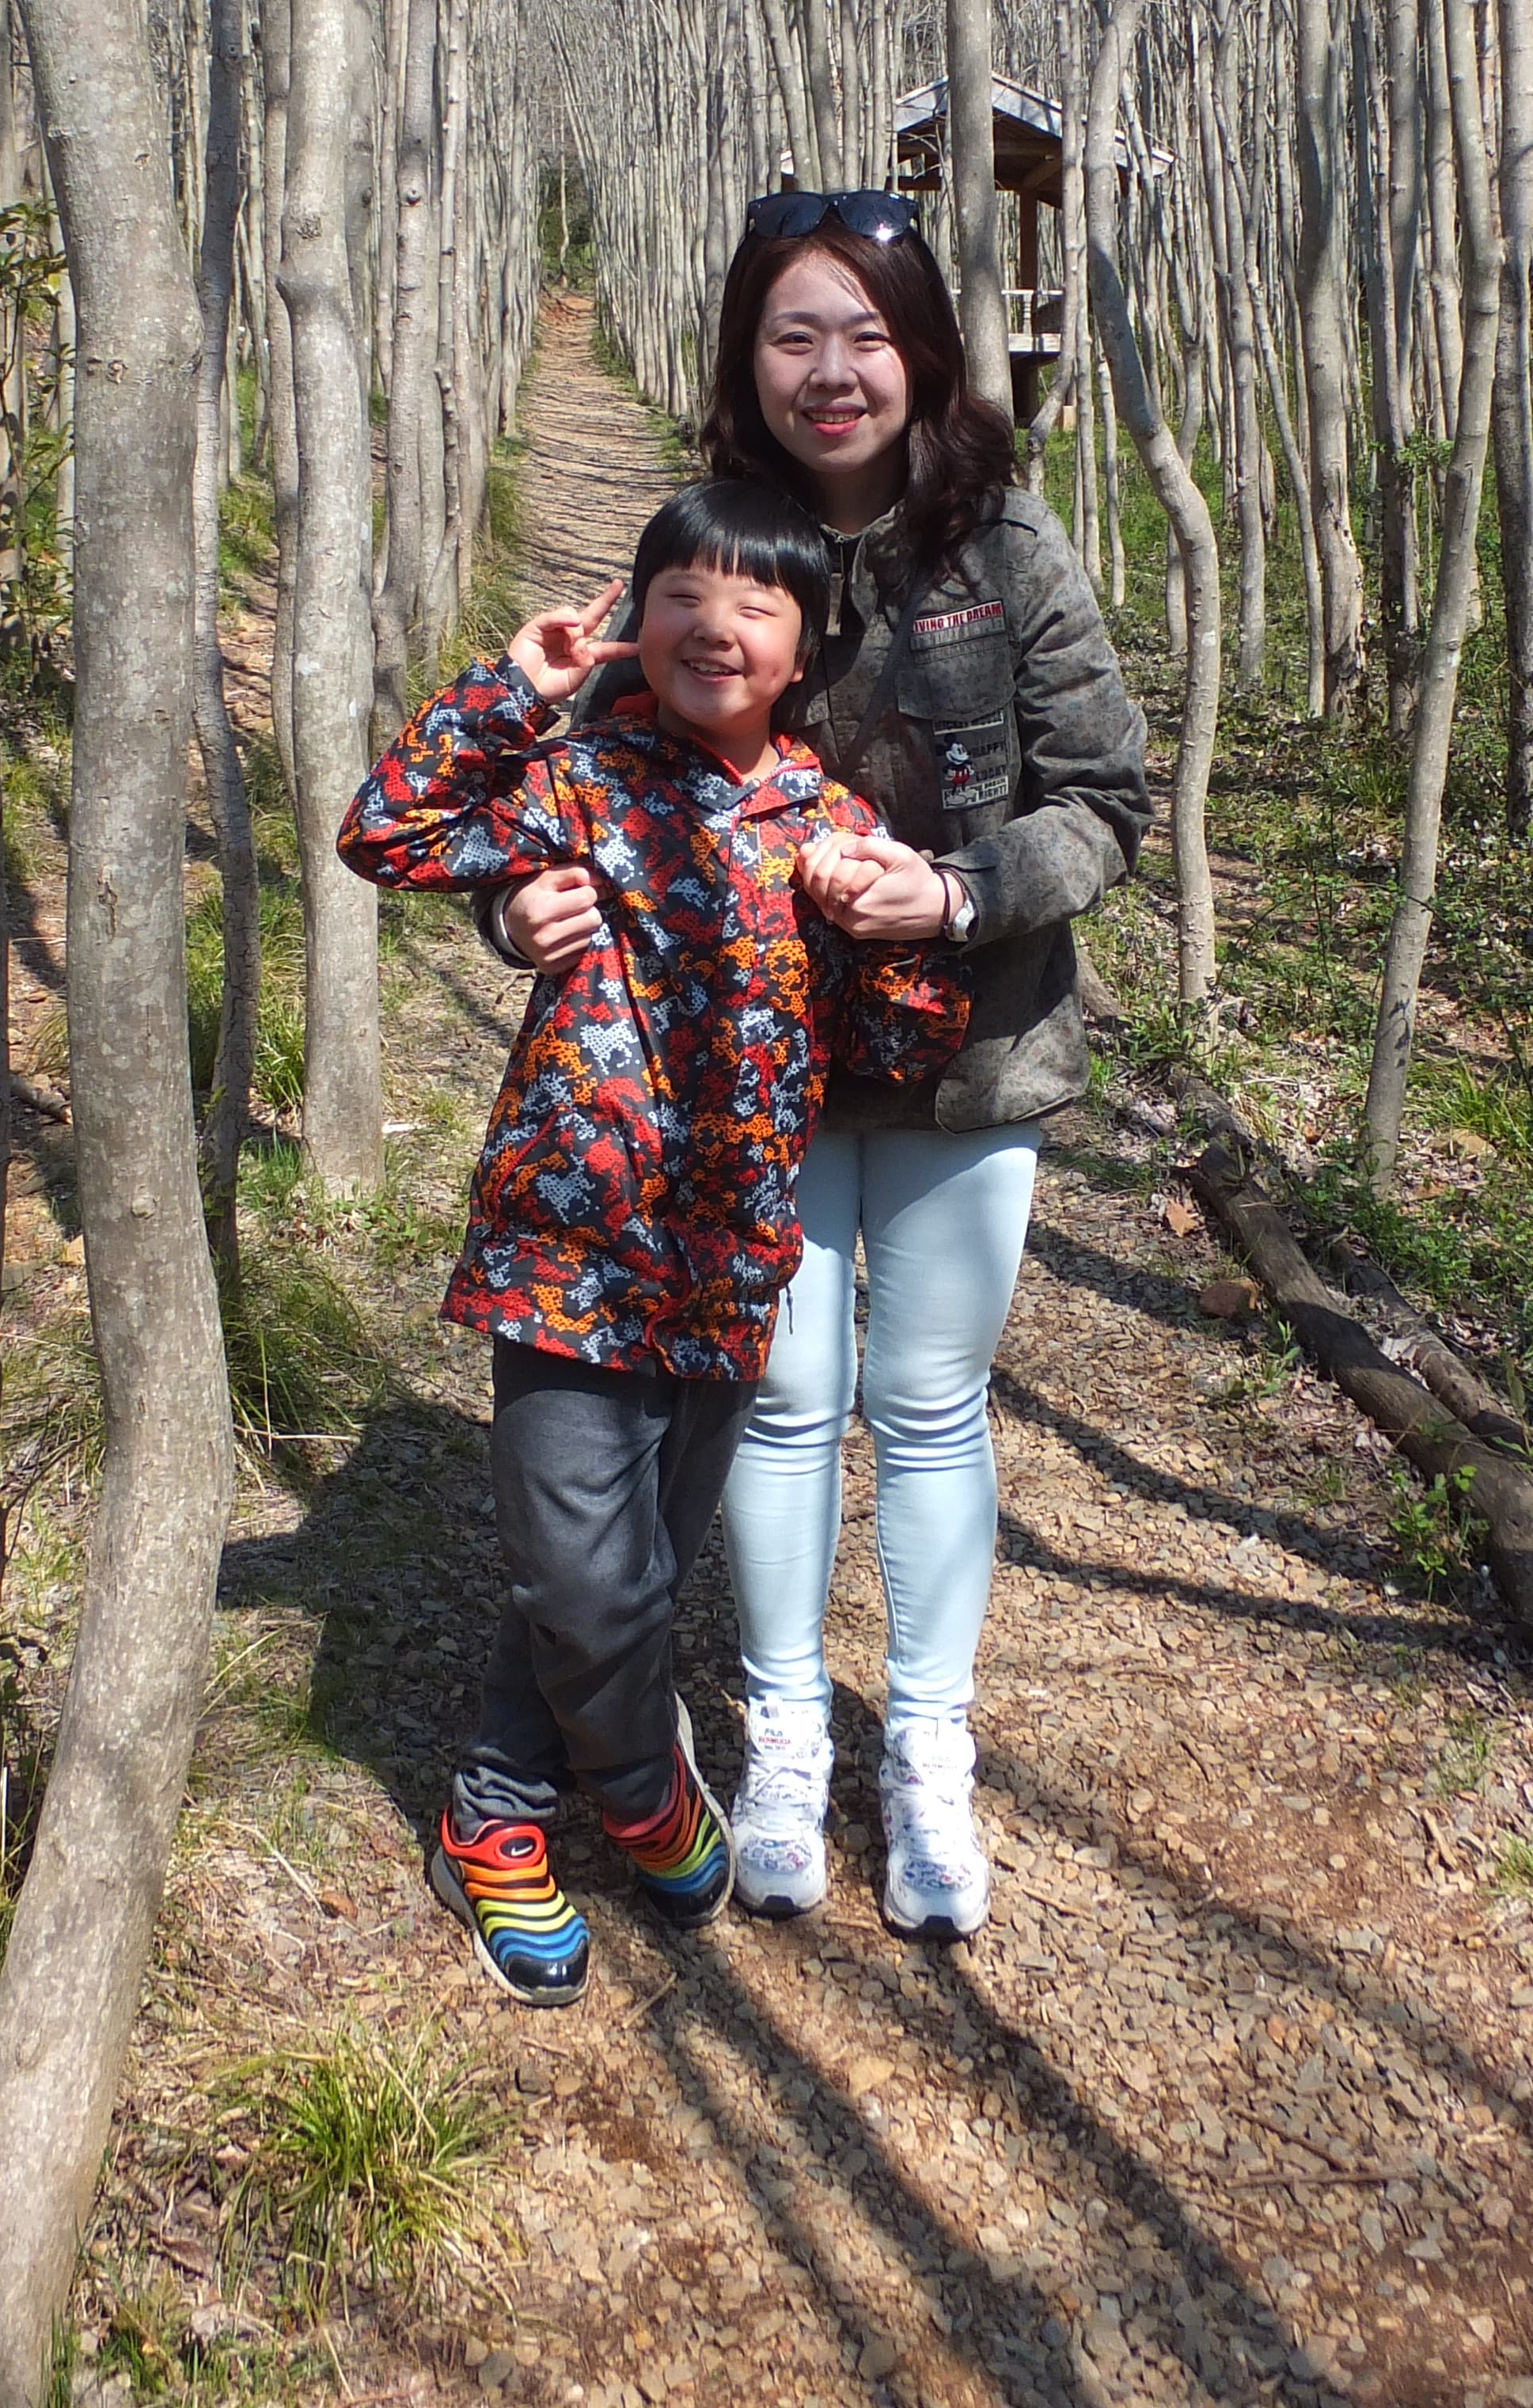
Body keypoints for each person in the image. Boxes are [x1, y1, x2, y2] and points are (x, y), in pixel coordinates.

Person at [490, 190, 1150, 1941]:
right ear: (746, 359)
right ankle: (786, 1730)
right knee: (780, 1402)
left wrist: (956, 888)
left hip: (970, 1045)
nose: (833, 369)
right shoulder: (711, 541)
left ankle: (925, 1746)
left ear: (926, 353)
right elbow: (585, 799)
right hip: (736, 1071)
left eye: (868, 333)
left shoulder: (1007, 548)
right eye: (795, 334)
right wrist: (522, 918)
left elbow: (1108, 800)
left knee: (929, 1404)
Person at [337, 474, 970, 2007]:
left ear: (807, 645)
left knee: (639, 1569)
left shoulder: (829, 819)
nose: (715, 625)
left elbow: (907, 1040)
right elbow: (385, 832)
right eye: (681, 593)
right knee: (583, 1578)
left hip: (729, 1262)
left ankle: (494, 1808)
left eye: (757, 602)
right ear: (637, 625)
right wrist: (513, 691)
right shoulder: (587, 778)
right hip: (567, 1244)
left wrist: (889, 920)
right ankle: (633, 1787)